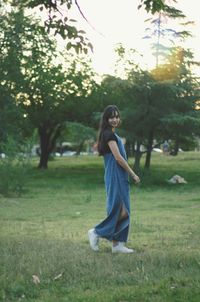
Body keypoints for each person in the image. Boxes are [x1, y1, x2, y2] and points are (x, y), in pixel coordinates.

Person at [88, 105, 140, 253]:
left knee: (124, 210)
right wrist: (132, 173)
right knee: (118, 209)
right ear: (106, 119)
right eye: (111, 117)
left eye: (117, 116)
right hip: (116, 174)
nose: (115, 119)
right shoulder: (108, 135)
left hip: (119, 175)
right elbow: (118, 158)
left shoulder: (112, 134)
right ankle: (97, 232)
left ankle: (118, 245)